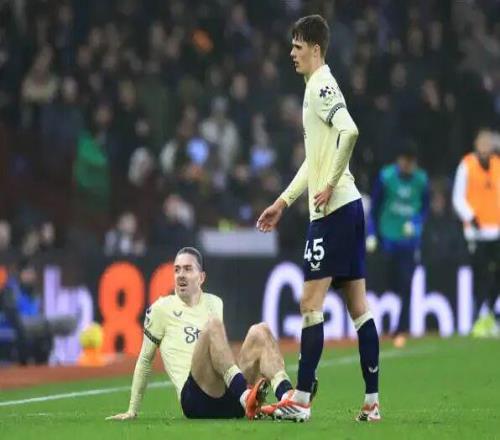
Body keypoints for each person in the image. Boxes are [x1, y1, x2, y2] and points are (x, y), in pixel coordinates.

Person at [256, 15, 380, 422]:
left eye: (297, 46)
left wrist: (328, 184)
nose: (291, 53)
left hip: (333, 212)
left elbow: (350, 131)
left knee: (310, 303)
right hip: (350, 207)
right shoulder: (317, 86)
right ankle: (372, 402)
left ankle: (302, 399)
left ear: (315, 49)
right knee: (358, 307)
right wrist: (283, 201)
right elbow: (315, 160)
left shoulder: (321, 86)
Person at [106, 247, 293, 421]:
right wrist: (132, 409)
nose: (181, 275)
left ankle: (288, 398)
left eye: (188, 269)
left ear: (201, 277)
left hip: (228, 396)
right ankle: (246, 396)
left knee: (261, 331)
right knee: (213, 325)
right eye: (177, 270)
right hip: (195, 400)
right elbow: (145, 360)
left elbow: (220, 358)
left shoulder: (215, 303)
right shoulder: (161, 309)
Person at [366, 145, 429, 347]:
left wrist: (416, 224)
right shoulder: (386, 177)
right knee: (389, 282)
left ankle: (401, 328)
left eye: (410, 162)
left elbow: (424, 209)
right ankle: (376, 324)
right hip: (388, 240)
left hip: (409, 243)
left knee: (407, 284)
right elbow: (374, 208)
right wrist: (371, 233)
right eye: (404, 160)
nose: (407, 165)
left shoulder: (421, 180)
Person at [452, 128, 500, 337]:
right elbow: (458, 197)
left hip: (496, 231)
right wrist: (471, 217)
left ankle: (489, 314)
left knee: (496, 275)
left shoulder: (497, 165)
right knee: (481, 275)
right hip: (476, 233)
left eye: (489, 143)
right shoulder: (467, 165)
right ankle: (479, 316)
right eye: (483, 143)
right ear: (476, 144)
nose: (486, 147)